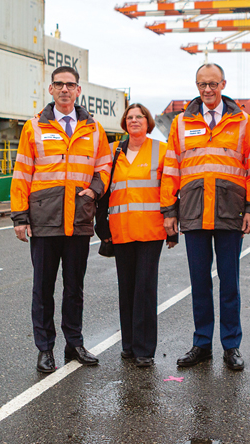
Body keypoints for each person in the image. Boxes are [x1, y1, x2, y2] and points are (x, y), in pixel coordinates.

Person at [11, 66, 112, 373]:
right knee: (43, 288)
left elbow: (104, 167)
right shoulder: (34, 127)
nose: (65, 89)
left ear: (78, 90)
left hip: (79, 219)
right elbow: (21, 173)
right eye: (59, 84)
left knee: (74, 288)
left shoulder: (94, 129)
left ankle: (74, 343)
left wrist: (94, 191)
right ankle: (45, 349)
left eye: (70, 85)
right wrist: (20, 217)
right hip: (44, 219)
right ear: (51, 89)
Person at [161, 63, 250, 371]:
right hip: (193, 211)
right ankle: (202, 343)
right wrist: (169, 210)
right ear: (197, 86)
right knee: (199, 283)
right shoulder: (181, 123)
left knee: (229, 283)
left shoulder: (243, 122)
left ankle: (231, 346)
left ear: (223, 84)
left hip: (230, 211)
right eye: (202, 84)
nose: (207, 90)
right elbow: (171, 168)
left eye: (213, 84)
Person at [95, 103, 177, 368]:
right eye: (129, 117)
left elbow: (169, 189)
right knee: (126, 289)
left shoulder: (161, 150)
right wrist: (101, 225)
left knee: (144, 288)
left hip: (151, 229)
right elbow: (104, 190)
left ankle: (144, 349)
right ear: (124, 122)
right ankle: (128, 345)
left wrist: (171, 224)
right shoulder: (113, 151)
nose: (134, 121)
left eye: (139, 117)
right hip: (121, 230)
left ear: (148, 122)